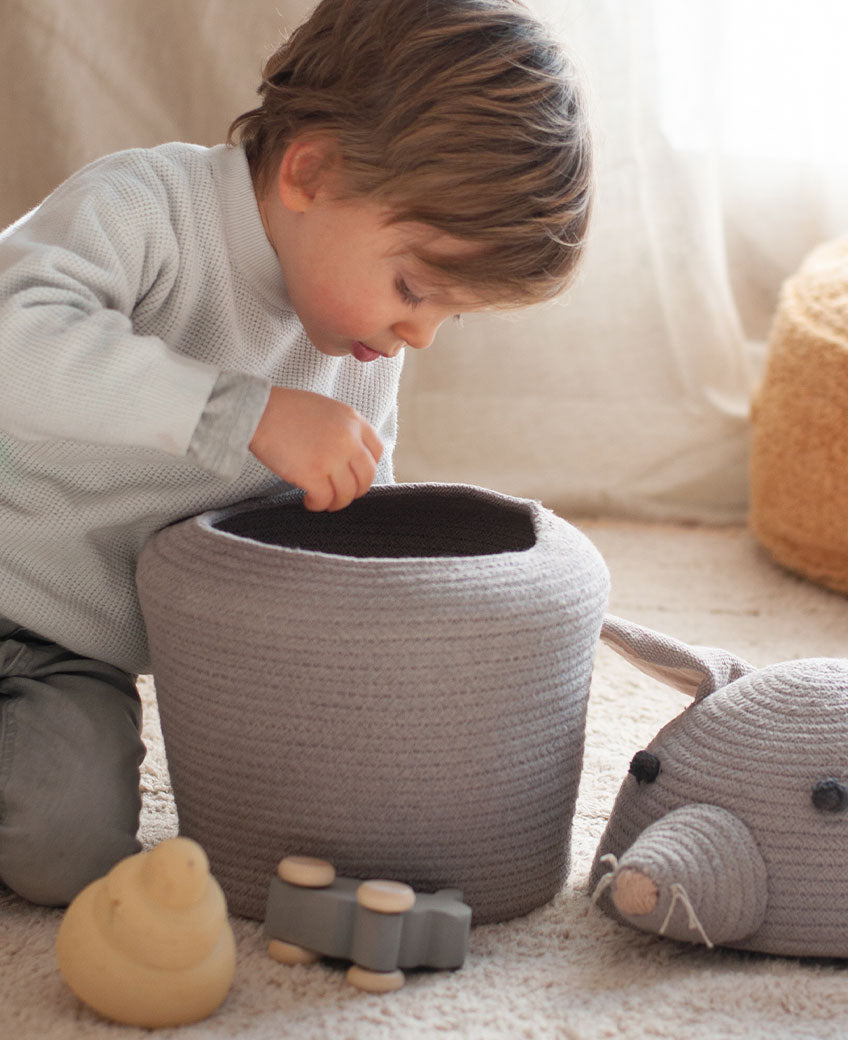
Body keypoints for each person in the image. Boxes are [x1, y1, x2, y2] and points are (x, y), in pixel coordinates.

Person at [0, 0, 591, 906]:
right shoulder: (145, 210)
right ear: (312, 170)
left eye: (451, 312)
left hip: (64, 651)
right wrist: (238, 413)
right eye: (413, 287)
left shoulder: (357, 348)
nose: (421, 334)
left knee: (65, 851)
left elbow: (351, 550)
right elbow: (18, 348)